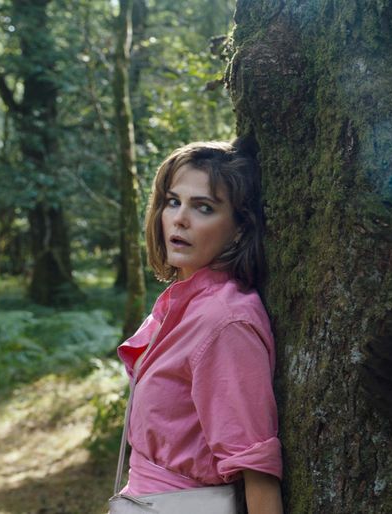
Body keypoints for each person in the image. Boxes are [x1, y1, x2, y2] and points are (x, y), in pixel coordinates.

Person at [115, 139, 282, 513]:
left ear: (239, 228)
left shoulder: (224, 321)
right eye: (173, 202)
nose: (180, 219)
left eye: (203, 207)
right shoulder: (184, 304)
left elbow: (256, 466)